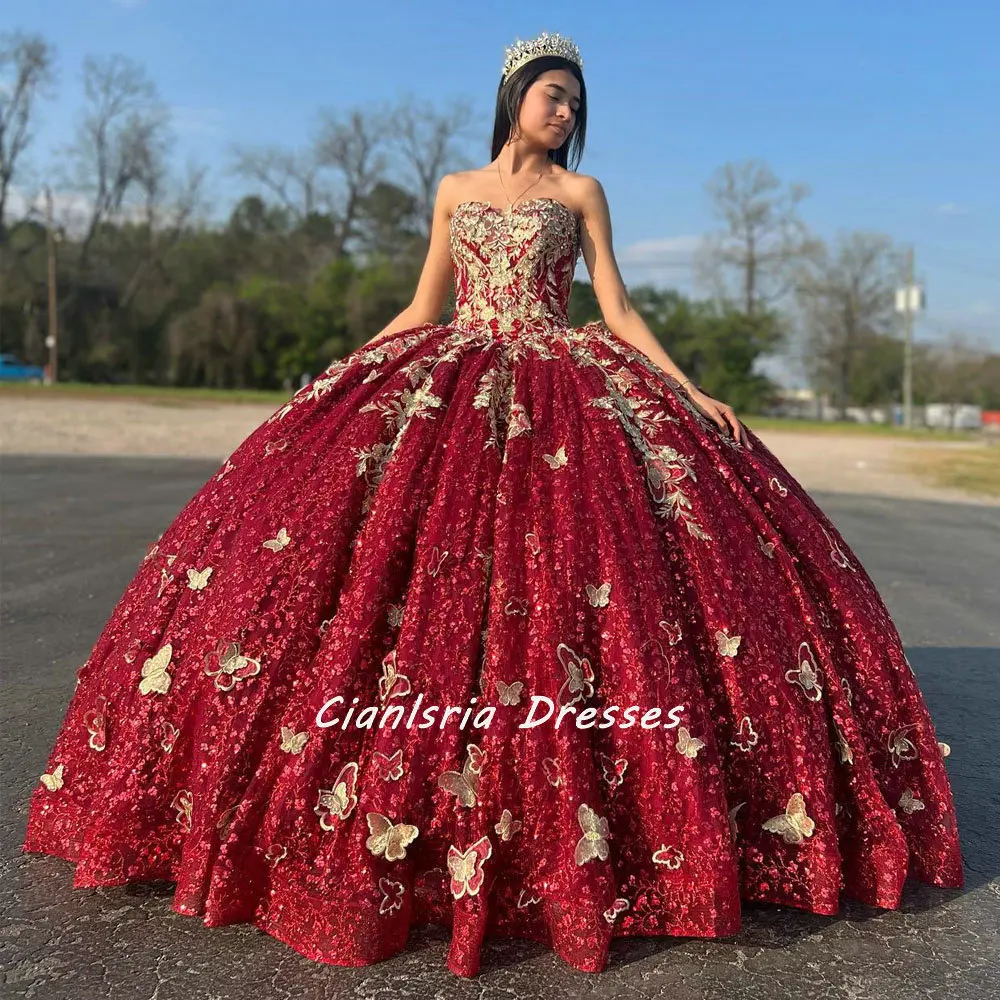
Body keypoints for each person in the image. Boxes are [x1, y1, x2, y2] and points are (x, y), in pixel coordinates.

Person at [22, 30, 962, 980]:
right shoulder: (454, 191)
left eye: (576, 105)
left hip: (559, 382)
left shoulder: (580, 196)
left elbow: (618, 311)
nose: (566, 114)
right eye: (554, 96)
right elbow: (425, 307)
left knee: (567, 580)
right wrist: (343, 373)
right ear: (515, 95)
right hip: (451, 379)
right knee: (393, 573)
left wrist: (687, 385)